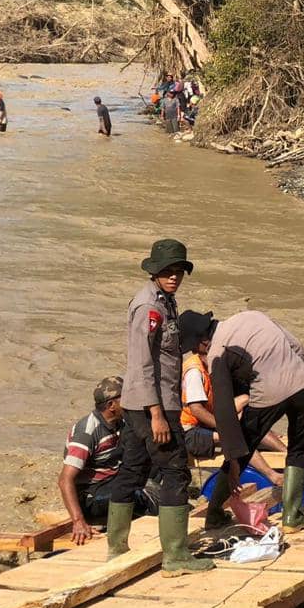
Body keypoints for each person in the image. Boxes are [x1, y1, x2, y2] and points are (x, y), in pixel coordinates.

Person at [105, 239, 214, 575]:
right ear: (154, 272)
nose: (174, 277)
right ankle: (176, 555)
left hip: (143, 402)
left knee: (133, 468)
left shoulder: (166, 302)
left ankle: (116, 549)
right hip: (154, 404)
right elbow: (142, 363)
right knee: (176, 471)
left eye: (178, 271)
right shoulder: (148, 307)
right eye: (167, 271)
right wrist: (156, 414)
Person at [181, 309, 304, 532]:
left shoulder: (217, 352)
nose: (194, 352)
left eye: (193, 347)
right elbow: (296, 346)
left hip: (270, 392)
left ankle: (215, 514)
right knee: (298, 450)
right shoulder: (250, 316)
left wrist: (233, 457)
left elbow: (224, 409)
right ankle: (292, 517)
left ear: (203, 341)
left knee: (244, 447)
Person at [178, 326, 285, 486]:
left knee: (249, 417)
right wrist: (226, 428)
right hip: (190, 433)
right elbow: (197, 410)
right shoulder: (195, 372)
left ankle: (286, 453)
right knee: (235, 438)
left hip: (206, 424)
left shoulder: (213, 367)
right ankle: (273, 476)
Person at [59, 377, 160, 545]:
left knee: (156, 465)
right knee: (140, 492)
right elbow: (64, 480)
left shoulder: (121, 423)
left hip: (113, 481)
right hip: (91, 495)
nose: (131, 401)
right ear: (111, 405)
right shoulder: (87, 433)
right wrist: (78, 521)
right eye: (126, 398)